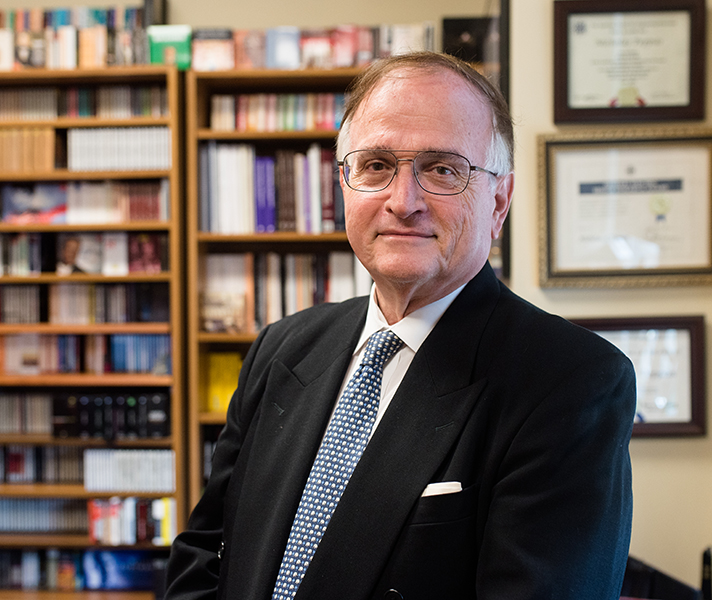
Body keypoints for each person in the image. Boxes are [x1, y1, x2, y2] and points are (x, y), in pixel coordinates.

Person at [165, 51, 635, 600]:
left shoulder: (572, 382)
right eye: (376, 165)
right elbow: (204, 555)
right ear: (344, 184)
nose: (402, 201)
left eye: (442, 169)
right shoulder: (282, 347)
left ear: (498, 202)